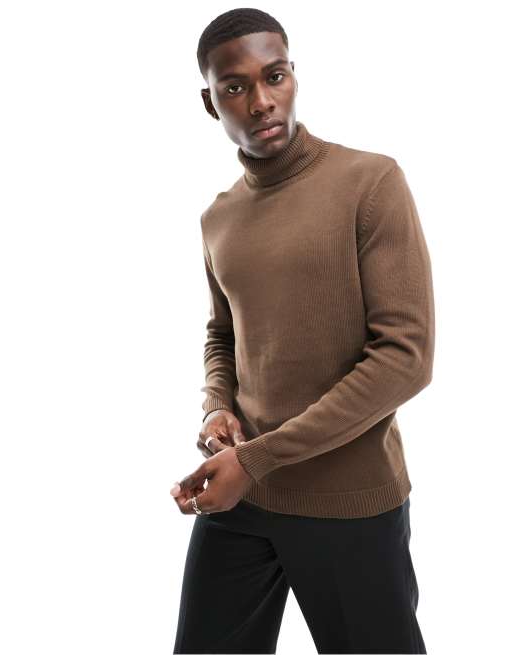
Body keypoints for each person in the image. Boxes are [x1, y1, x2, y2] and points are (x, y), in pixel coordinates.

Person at [171, 7, 435, 654]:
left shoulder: (369, 182)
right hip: (243, 495)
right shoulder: (218, 218)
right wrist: (216, 407)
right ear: (210, 102)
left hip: (348, 501)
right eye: (235, 86)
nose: (261, 101)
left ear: (293, 76)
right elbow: (222, 335)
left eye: (275, 76)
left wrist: (255, 458)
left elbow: (405, 359)